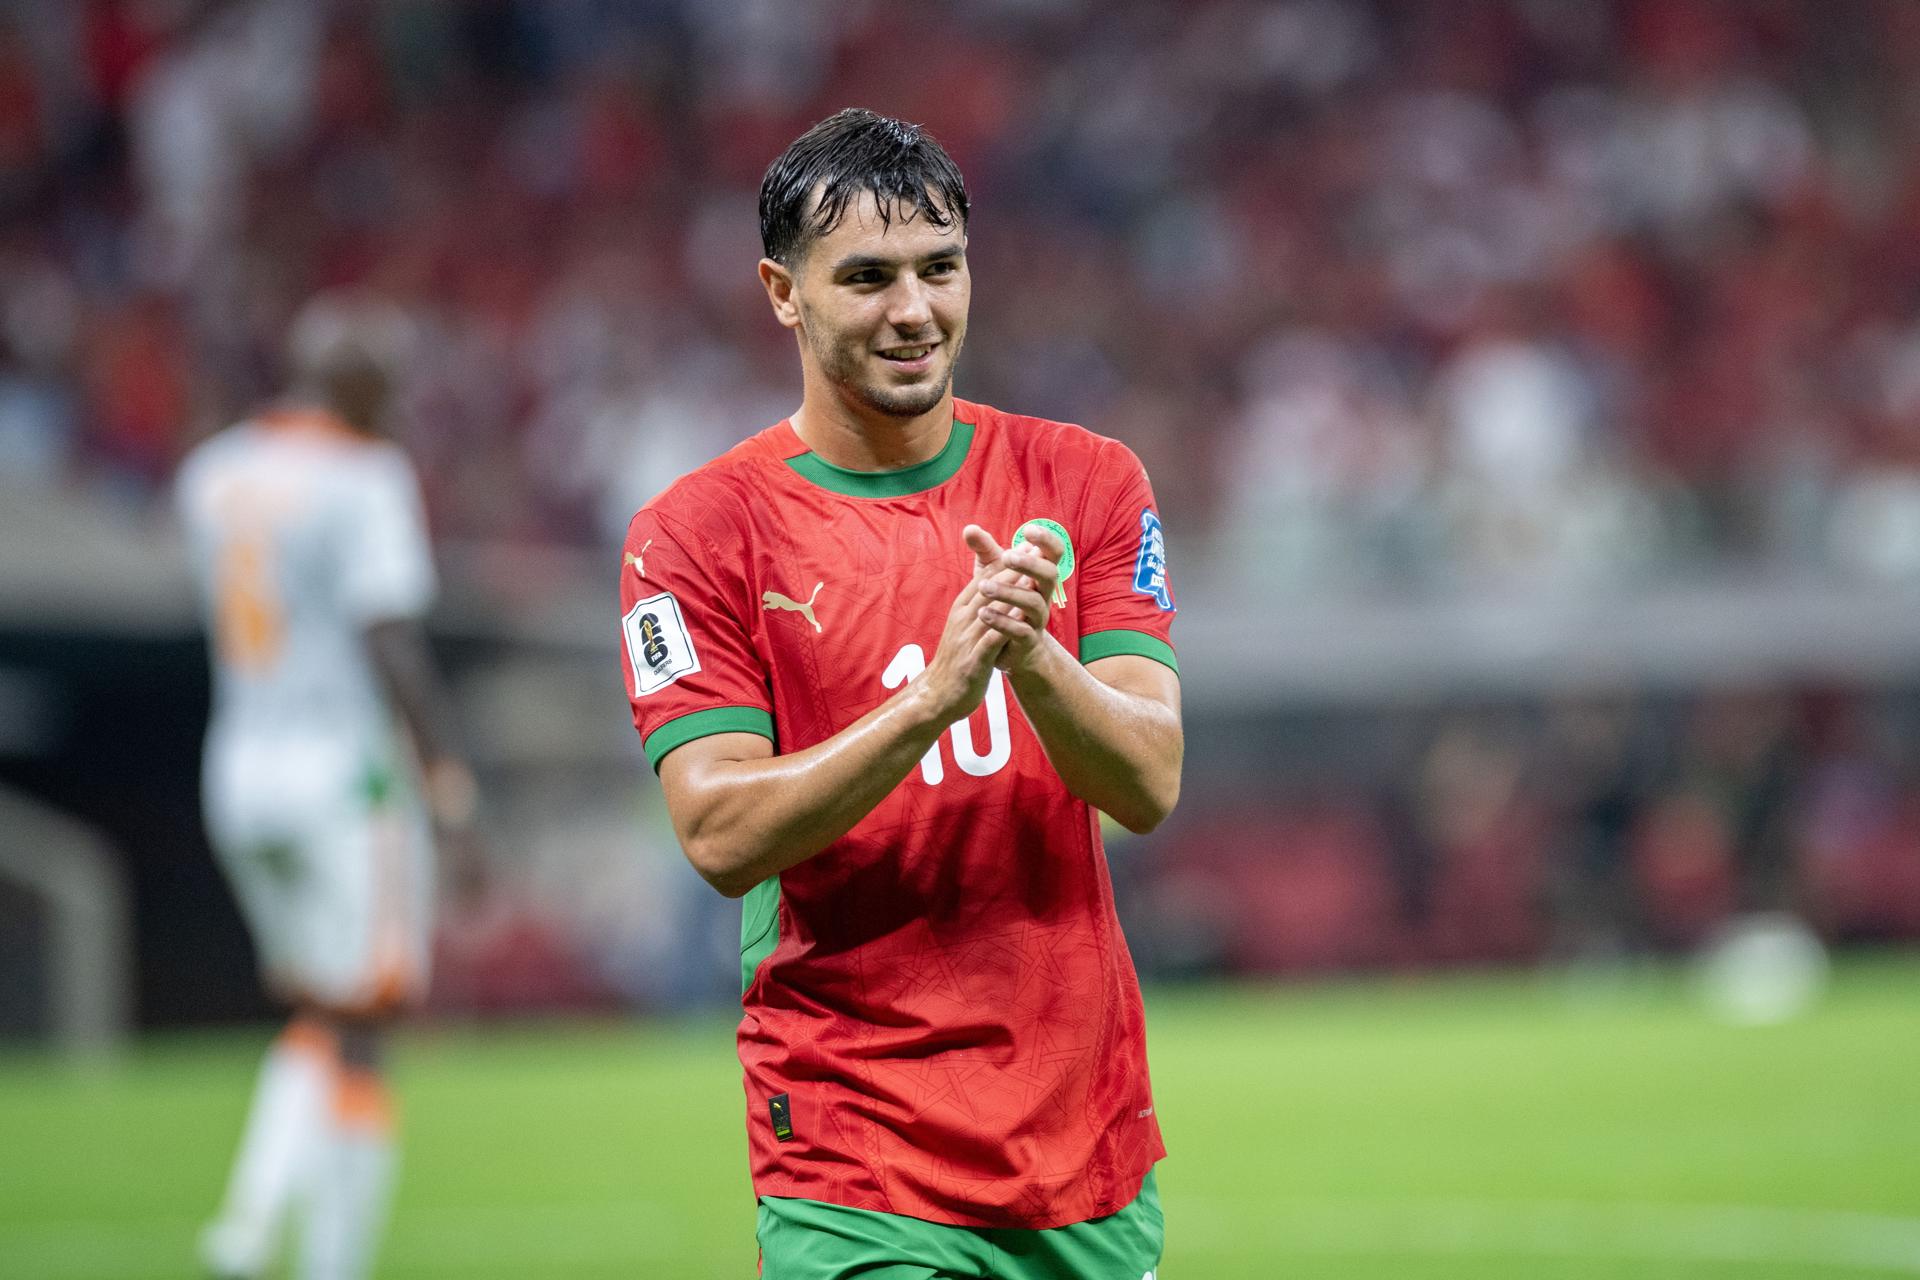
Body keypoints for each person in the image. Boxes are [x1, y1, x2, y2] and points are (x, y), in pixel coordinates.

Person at [619, 109, 1182, 1280]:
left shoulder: (1086, 479)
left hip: (1079, 1138)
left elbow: (1149, 779)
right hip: (851, 1142)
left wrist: (1032, 656)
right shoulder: (697, 533)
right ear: (783, 291)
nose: (914, 309)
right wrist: (931, 696)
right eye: (867, 277)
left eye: (940, 268)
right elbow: (718, 831)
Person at [176, 292, 481, 1280]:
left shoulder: (212, 472)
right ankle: (327, 1262)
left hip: (239, 766)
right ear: (354, 386)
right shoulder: (364, 476)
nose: (395, 407)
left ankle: (250, 1220)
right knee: (366, 1023)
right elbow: (388, 630)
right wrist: (445, 778)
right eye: (385, 387)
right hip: (343, 775)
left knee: (317, 1009)